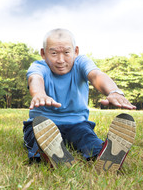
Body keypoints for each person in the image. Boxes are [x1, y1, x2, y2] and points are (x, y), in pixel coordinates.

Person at [23, 28, 136, 172]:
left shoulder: (81, 62)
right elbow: (35, 78)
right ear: (43, 53)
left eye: (66, 52)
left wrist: (113, 91)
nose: (60, 60)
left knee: (88, 139)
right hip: (42, 126)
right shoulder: (39, 66)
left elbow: (96, 75)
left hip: (77, 125)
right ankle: (48, 155)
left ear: (76, 51)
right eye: (53, 53)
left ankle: (104, 155)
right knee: (36, 139)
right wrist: (39, 94)